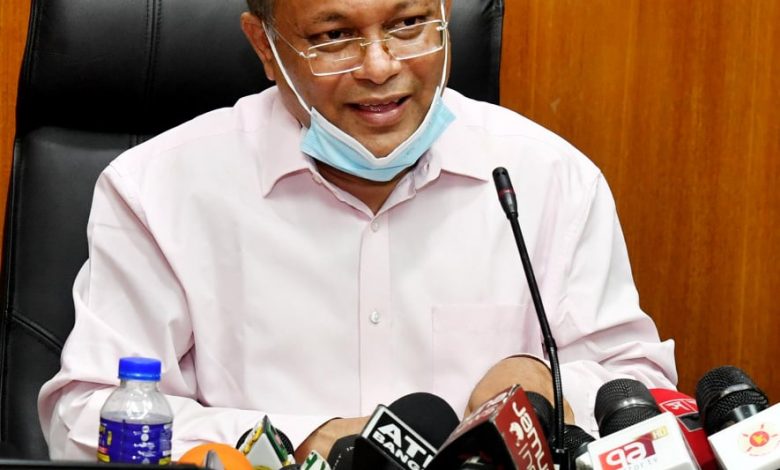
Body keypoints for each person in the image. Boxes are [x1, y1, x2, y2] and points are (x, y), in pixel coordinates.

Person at [38, 0, 677, 462]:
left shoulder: (548, 177)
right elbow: (87, 417)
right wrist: (293, 444)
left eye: (408, 25)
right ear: (264, 47)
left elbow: (641, 390)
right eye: (335, 36)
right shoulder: (157, 189)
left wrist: (549, 389)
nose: (379, 66)